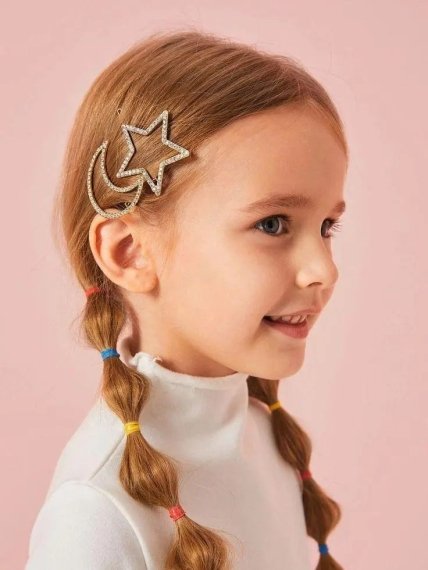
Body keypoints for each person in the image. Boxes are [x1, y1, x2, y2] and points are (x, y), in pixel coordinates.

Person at [25, 28, 348, 570]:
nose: (324, 270)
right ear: (129, 252)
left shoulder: (269, 441)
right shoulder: (96, 510)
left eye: (327, 226)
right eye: (273, 224)